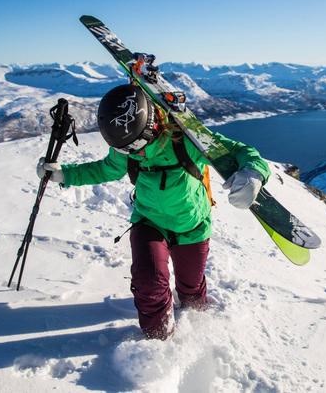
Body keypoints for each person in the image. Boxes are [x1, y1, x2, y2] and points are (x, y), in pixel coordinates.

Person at [37, 84, 270, 340]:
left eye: (135, 145)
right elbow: (105, 169)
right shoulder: (127, 147)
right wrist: (64, 174)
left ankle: (195, 317)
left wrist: (254, 172)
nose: (133, 153)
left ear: (151, 126)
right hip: (149, 222)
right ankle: (158, 341)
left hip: (191, 227)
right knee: (149, 283)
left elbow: (239, 151)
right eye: (125, 149)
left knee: (191, 293)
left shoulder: (188, 140)